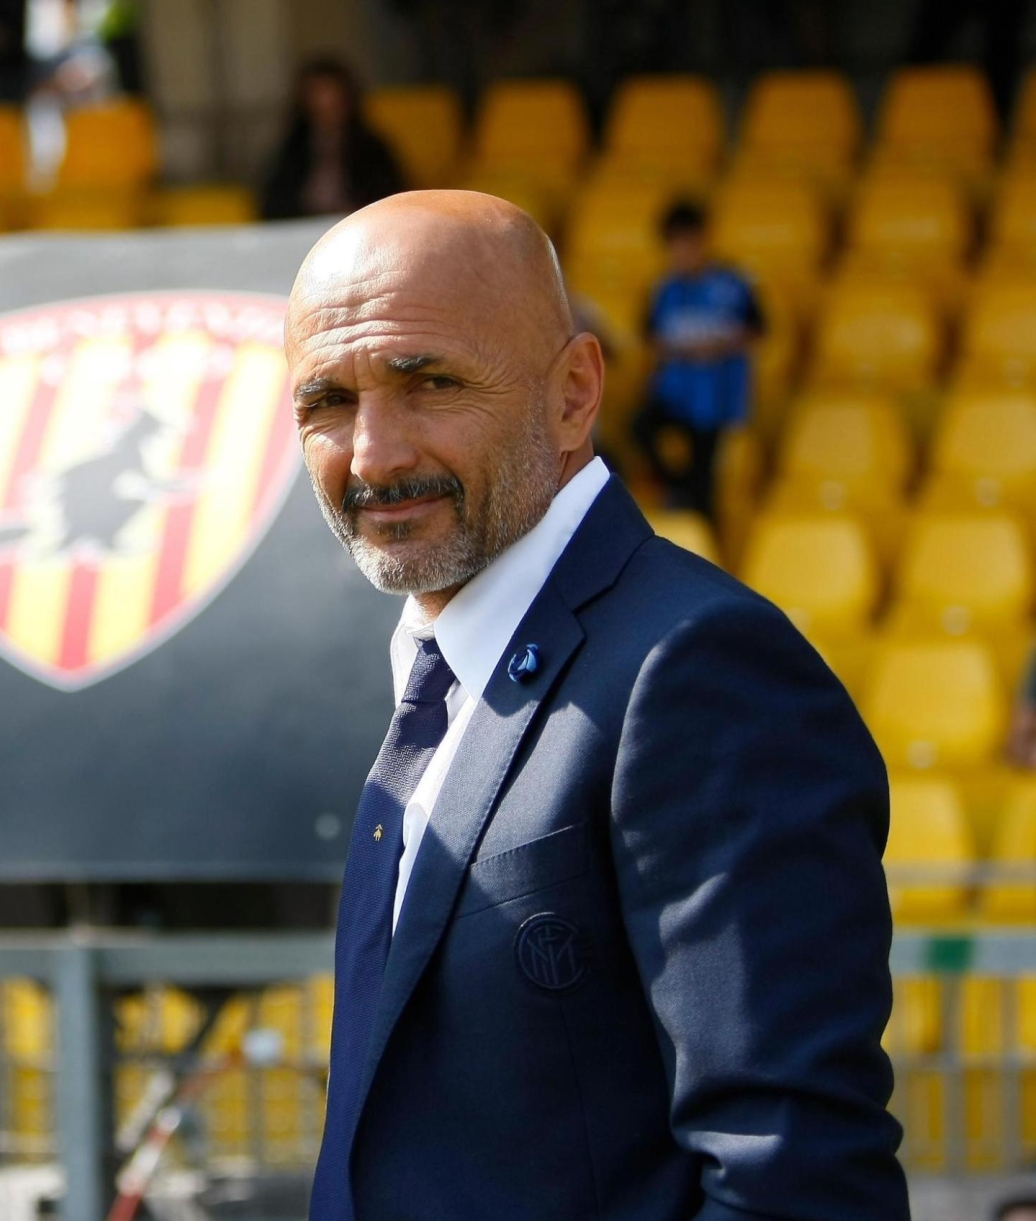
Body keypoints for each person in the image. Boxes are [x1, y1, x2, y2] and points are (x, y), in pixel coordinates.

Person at [287, 191, 903, 1219]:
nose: (374, 454)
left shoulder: (702, 672)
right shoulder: (440, 675)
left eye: (428, 382)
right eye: (327, 404)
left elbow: (793, 1186)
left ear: (576, 393)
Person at [630, 200, 763, 521]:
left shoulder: (733, 283)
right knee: (641, 427)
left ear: (703, 240)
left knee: (706, 481)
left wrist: (719, 345)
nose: (681, 253)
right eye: (674, 246)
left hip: (717, 397)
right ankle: (680, 489)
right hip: (676, 392)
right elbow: (650, 336)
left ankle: (702, 529)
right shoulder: (664, 289)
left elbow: (757, 328)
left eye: (687, 243)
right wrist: (680, 349)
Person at [259, 57, 405, 221]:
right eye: (318, 93)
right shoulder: (291, 150)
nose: (326, 103)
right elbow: (273, 205)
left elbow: (392, 200)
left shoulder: (372, 149)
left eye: (333, 94)